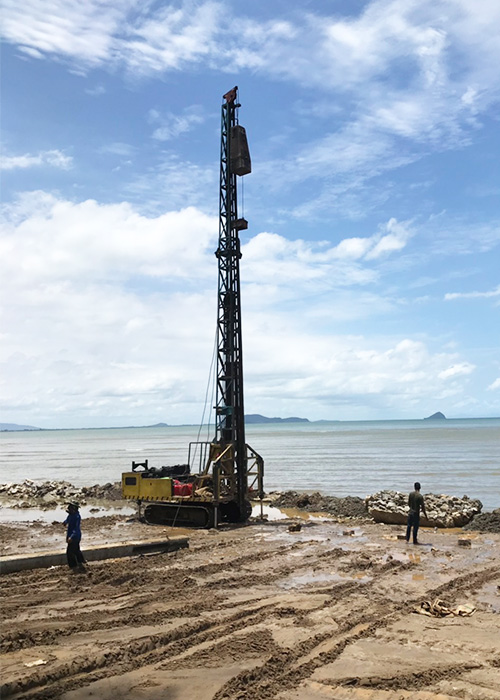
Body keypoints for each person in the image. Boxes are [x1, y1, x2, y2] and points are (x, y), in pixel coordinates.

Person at [64, 502, 86, 572]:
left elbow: (76, 529)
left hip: (75, 536)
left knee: (70, 552)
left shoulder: (77, 517)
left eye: (70, 507)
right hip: (72, 535)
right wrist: (65, 522)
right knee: (76, 550)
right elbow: (68, 519)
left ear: (74, 508)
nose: (69, 508)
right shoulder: (71, 515)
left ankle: (73, 566)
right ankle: (81, 561)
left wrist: (71, 537)